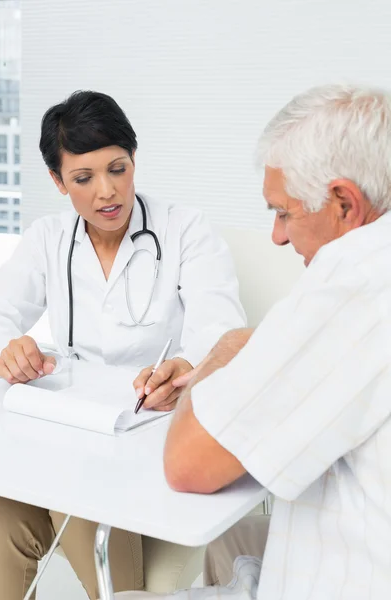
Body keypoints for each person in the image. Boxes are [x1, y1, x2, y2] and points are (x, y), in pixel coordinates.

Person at [118, 84, 391, 600]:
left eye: (284, 212)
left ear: (344, 202)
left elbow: (188, 463)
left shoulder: (356, 275)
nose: (277, 238)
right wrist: (244, 356)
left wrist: (226, 351)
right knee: (233, 537)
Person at [0, 91, 246, 600]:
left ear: (134, 160)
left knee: (83, 512)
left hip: (146, 442)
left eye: (118, 168)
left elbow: (222, 331)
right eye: (84, 178)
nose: (108, 192)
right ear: (58, 181)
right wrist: (7, 348)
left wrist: (187, 366)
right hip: (69, 436)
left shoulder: (184, 231)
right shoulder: (47, 238)